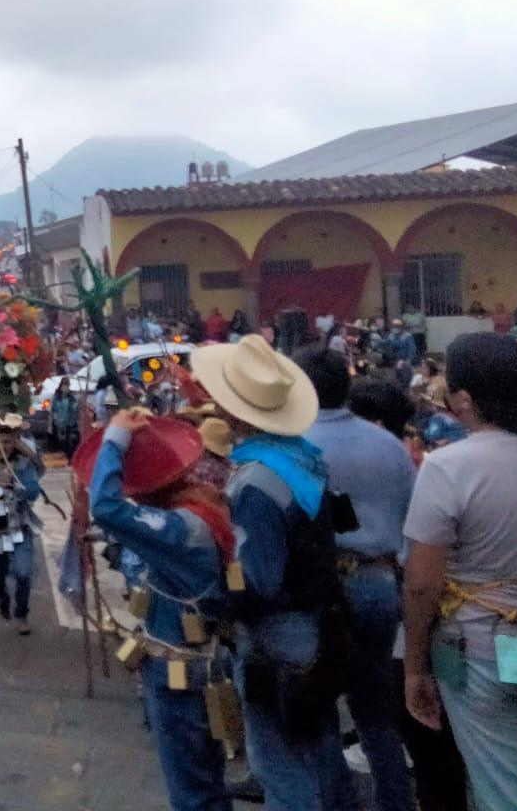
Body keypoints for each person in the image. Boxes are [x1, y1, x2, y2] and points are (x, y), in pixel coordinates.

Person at [402, 333, 517, 809]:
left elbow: (422, 583)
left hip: (478, 648)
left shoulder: (449, 467)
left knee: (504, 788)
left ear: (465, 399)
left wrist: (414, 668)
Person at [193, 335, 348, 811]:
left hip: (277, 639)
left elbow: (257, 579)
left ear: (237, 413)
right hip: (317, 626)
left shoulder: (257, 483)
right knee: (319, 752)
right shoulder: (301, 459)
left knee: (280, 766)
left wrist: (213, 597)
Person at [80, 409, 234, 811]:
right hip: (203, 658)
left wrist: (114, 439)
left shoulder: (182, 529)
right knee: (206, 777)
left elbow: (107, 508)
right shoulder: (203, 509)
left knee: (191, 789)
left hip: (178, 669)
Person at [296, 346, 417, 811]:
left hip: (326, 587)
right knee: (375, 712)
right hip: (382, 583)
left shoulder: (295, 445)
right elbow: (412, 519)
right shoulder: (388, 445)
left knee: (321, 709)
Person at [0, 413, 42, 632]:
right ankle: (2, 596)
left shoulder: (24, 463)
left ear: (15, 442)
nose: (4, 447)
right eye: (0, 442)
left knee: (23, 571)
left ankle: (21, 614)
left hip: (20, 525)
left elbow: (34, 492)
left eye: (8, 442)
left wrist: (14, 485)